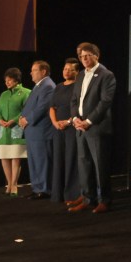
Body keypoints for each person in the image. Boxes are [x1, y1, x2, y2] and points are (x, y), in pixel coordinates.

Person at [68, 42, 115, 214]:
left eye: (88, 55)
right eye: (82, 56)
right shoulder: (81, 75)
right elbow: (74, 100)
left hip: (96, 127)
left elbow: (105, 102)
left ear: (97, 55)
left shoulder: (106, 75)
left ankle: (104, 201)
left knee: (100, 165)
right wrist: (75, 118)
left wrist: (88, 121)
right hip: (80, 127)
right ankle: (88, 199)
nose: (84, 59)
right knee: (84, 164)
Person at [19, 61, 55, 200]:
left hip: (41, 131)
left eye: (34, 70)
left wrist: (27, 119)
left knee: (42, 161)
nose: (31, 73)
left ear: (43, 71)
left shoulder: (48, 86)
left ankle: (45, 189)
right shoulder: (38, 86)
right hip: (32, 131)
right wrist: (22, 117)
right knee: (34, 161)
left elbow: (43, 107)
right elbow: (30, 106)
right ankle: (37, 188)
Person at [0, 68, 30, 197]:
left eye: (9, 80)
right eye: (6, 80)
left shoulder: (26, 93)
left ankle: (14, 185)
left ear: (16, 79)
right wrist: (0, 120)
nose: (7, 82)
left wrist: (14, 120)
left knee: (15, 157)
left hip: (17, 128)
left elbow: (27, 110)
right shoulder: (4, 94)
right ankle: (9, 183)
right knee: (4, 156)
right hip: (3, 130)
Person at [49, 58, 81, 203]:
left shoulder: (78, 87)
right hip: (58, 128)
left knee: (71, 158)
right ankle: (58, 194)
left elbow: (80, 108)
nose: (67, 72)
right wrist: (55, 123)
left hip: (72, 127)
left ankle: (72, 194)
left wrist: (68, 121)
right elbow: (52, 107)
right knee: (58, 159)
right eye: (65, 69)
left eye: (71, 70)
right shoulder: (58, 87)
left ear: (77, 72)